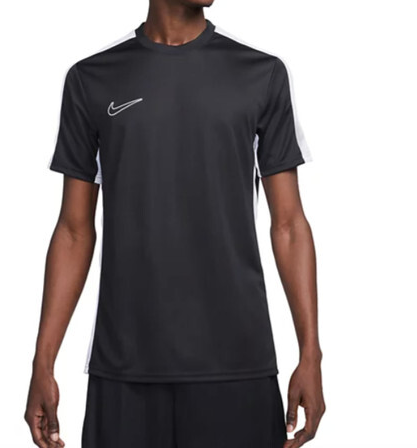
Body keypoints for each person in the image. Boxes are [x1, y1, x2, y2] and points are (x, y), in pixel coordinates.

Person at [24, 0, 326, 447]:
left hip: (238, 368)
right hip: (124, 371)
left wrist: (310, 355)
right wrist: (43, 363)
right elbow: (73, 230)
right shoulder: (93, 78)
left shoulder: (260, 74)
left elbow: (289, 225)